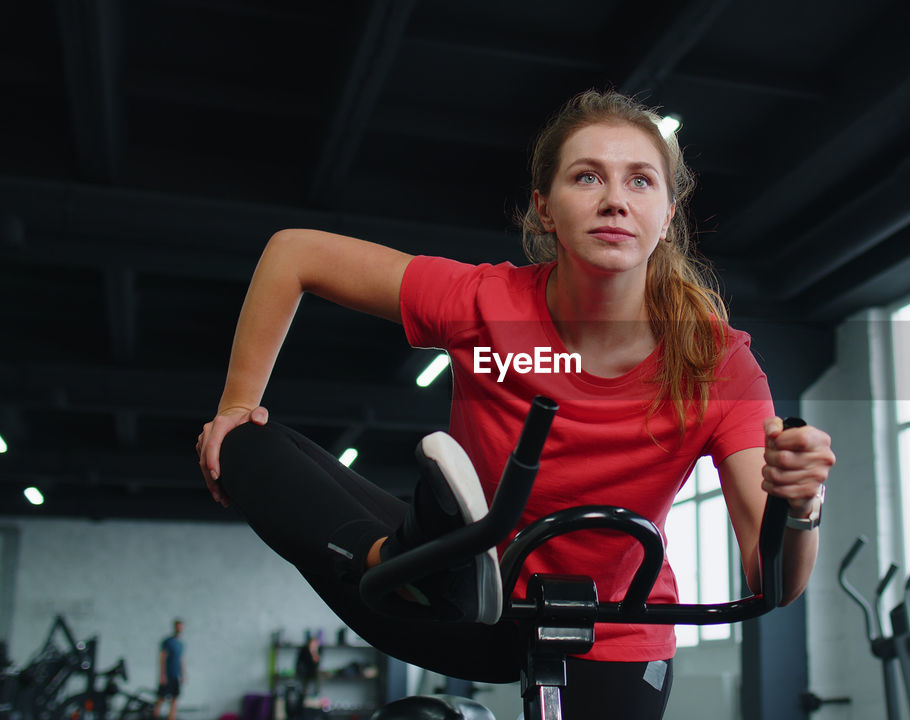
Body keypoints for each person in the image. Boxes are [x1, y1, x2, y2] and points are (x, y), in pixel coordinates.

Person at [196, 89, 835, 719]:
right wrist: (235, 404)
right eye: (587, 177)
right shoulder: (481, 303)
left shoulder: (716, 365)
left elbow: (770, 584)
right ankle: (398, 563)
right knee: (245, 445)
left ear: (667, 215)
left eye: (640, 181)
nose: (614, 199)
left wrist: (799, 508)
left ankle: (417, 563)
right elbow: (294, 253)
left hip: (608, 632)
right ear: (545, 209)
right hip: (467, 598)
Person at [154, 619, 184, 720]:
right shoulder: (167, 642)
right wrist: (162, 675)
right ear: (174, 627)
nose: (179, 629)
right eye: (178, 626)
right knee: (161, 698)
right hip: (167, 675)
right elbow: (162, 658)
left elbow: (181, 660)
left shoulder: (181, 644)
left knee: (174, 699)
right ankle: (154, 717)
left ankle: (171, 718)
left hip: (176, 676)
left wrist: (183, 674)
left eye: (181, 627)